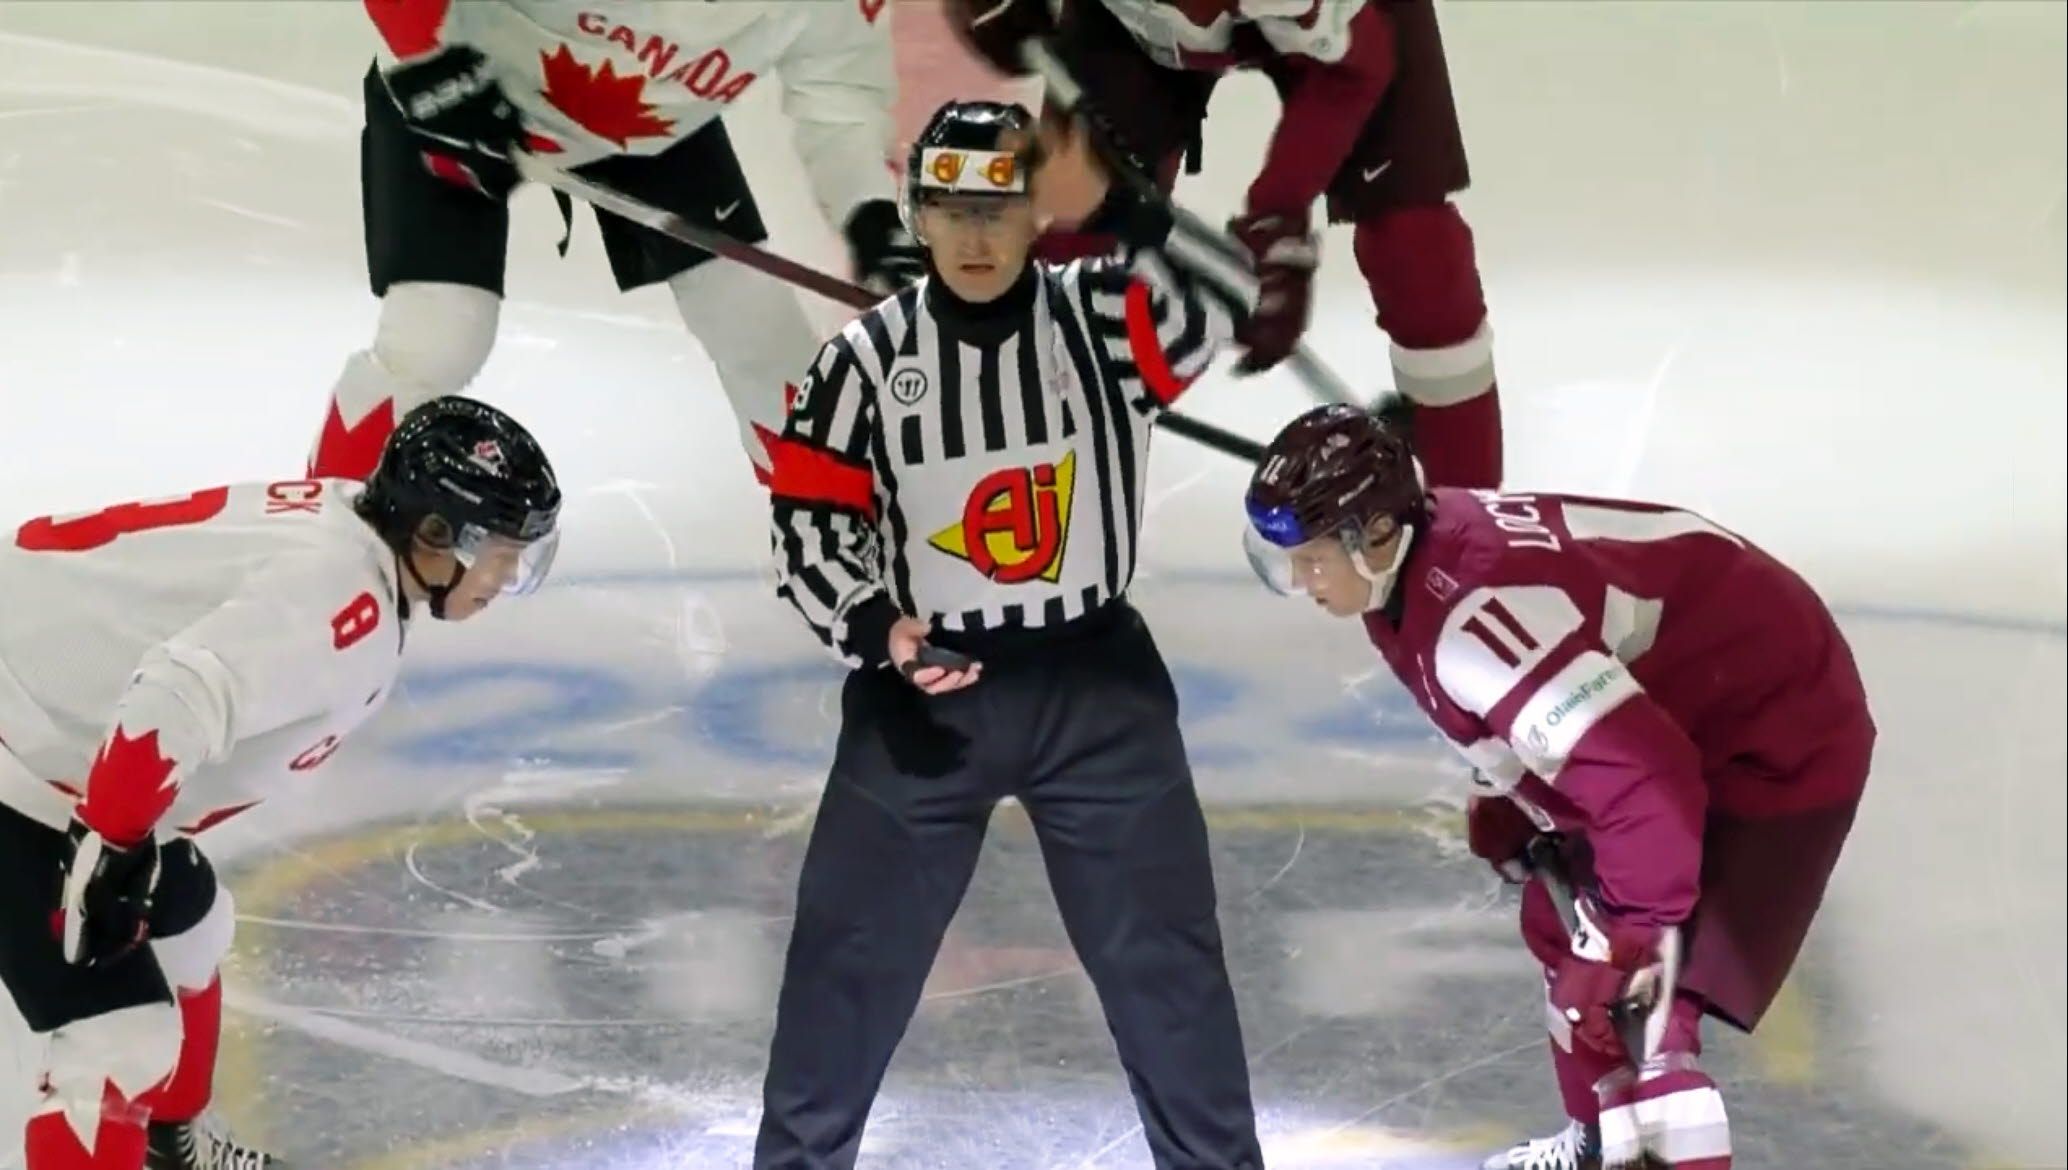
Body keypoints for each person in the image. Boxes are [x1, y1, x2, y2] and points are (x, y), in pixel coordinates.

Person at [753, 99, 1265, 1170]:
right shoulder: (857, 366)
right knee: (843, 973)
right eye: (948, 208)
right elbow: (807, 535)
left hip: (1097, 687)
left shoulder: (1100, 319)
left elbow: (1227, 293)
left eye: (997, 208)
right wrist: (876, 629)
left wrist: (1126, 206)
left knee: (1168, 974)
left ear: (1038, 215)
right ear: (917, 217)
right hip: (922, 695)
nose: (974, 236)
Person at [1239, 404, 1876, 1170]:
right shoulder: (1416, 564)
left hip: (1775, 730)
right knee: (1564, 925)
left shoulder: (1473, 619)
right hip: (1698, 700)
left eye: (1312, 557)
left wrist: (1620, 943)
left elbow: (1652, 794)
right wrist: (1509, 793)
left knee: (1645, 991)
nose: (1300, 579)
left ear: (1375, 535)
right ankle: (1598, 1145)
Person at [0, 398, 562, 1170]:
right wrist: (110, 848)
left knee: (192, 927)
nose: (508, 575)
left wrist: (122, 841)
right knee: (118, 1038)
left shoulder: (354, 540)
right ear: (434, 535)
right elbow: (173, 699)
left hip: (44, 737)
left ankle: (173, 1152)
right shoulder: (342, 602)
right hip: (22, 756)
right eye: (500, 551)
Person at [310, 0, 922, 483]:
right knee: (439, 339)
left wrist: (870, 214)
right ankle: (326, 530)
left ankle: (833, 533)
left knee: (758, 329)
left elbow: (840, 102)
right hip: (469, 86)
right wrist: (434, 63)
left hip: (653, 119)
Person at [949, 0, 1505, 489]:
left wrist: (1277, 216)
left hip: (1351, 30)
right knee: (1076, 232)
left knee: (1416, 248)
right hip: (1128, 23)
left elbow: (1355, 67)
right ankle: (1030, 481)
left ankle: (1469, 516)